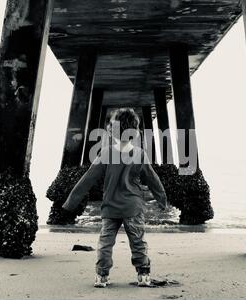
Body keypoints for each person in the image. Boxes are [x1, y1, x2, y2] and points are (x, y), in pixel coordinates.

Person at [62, 108, 167, 288]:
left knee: (105, 243)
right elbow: (152, 178)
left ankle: (102, 277)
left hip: (110, 207)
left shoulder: (106, 153)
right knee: (138, 241)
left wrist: (70, 203)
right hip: (133, 207)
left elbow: (87, 179)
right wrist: (162, 199)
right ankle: (143, 276)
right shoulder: (140, 154)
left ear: (112, 131)